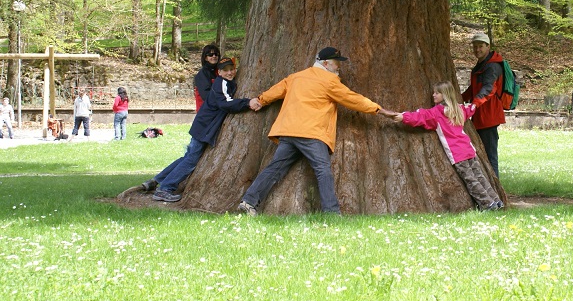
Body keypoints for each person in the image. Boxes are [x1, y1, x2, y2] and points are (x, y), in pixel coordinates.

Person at [238, 47, 396, 215]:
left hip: (288, 131)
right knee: (323, 170)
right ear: (326, 63)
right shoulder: (329, 81)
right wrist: (380, 110)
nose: (338, 67)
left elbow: (277, 90)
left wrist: (261, 100)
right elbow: (353, 99)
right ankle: (332, 213)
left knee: (275, 168)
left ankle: (249, 202)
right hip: (311, 133)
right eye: (336, 63)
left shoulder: (296, 76)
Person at [142, 57, 260, 203]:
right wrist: (247, 102)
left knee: (187, 157)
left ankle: (157, 180)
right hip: (205, 126)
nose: (230, 72)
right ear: (219, 72)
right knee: (191, 160)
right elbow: (226, 104)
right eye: (226, 70)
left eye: (232, 69)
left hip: (202, 125)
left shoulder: (225, 83)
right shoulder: (221, 83)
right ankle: (165, 188)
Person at [393, 81, 503, 211]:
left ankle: (488, 204)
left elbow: (419, 116)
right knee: (479, 176)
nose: (433, 95)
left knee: (471, 180)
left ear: (445, 95)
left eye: (437, 93)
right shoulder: (459, 109)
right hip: (468, 148)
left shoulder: (436, 113)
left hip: (457, 153)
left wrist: (403, 117)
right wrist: (475, 104)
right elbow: (470, 109)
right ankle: (496, 201)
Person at [461, 32, 505, 177]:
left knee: (490, 156)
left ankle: (496, 191)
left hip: (489, 117)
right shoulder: (481, 64)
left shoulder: (492, 66)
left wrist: (474, 104)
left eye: (480, 46)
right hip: (480, 116)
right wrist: (459, 99)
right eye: (475, 47)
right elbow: (474, 90)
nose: (477, 50)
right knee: (481, 154)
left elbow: (489, 89)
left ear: (488, 47)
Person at [194, 44, 221, 112]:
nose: (214, 56)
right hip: (206, 112)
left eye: (216, 54)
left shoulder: (220, 71)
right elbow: (206, 95)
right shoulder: (202, 74)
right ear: (205, 58)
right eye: (210, 55)